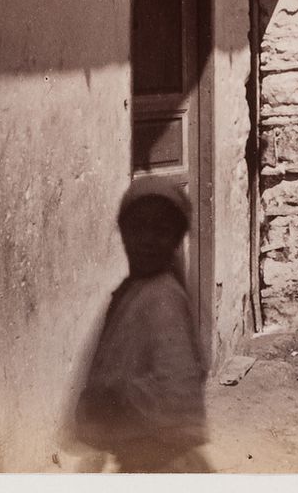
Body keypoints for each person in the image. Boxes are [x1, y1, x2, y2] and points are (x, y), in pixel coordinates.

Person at [73, 176, 211, 472]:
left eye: (161, 230)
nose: (147, 239)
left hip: (162, 463)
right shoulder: (131, 292)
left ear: (176, 238)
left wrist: (110, 397)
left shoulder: (164, 301)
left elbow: (177, 395)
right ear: (123, 232)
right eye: (138, 228)